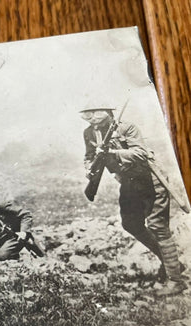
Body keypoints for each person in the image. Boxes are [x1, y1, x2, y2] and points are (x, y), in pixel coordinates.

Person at [80, 104, 186, 296]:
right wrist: (89, 167)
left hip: (151, 180)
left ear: (107, 112)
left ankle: (176, 280)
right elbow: (88, 156)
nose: (92, 117)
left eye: (96, 112)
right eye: (87, 114)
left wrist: (110, 153)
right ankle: (174, 264)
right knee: (130, 223)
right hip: (129, 182)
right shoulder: (89, 133)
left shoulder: (126, 128)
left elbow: (140, 154)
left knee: (158, 226)